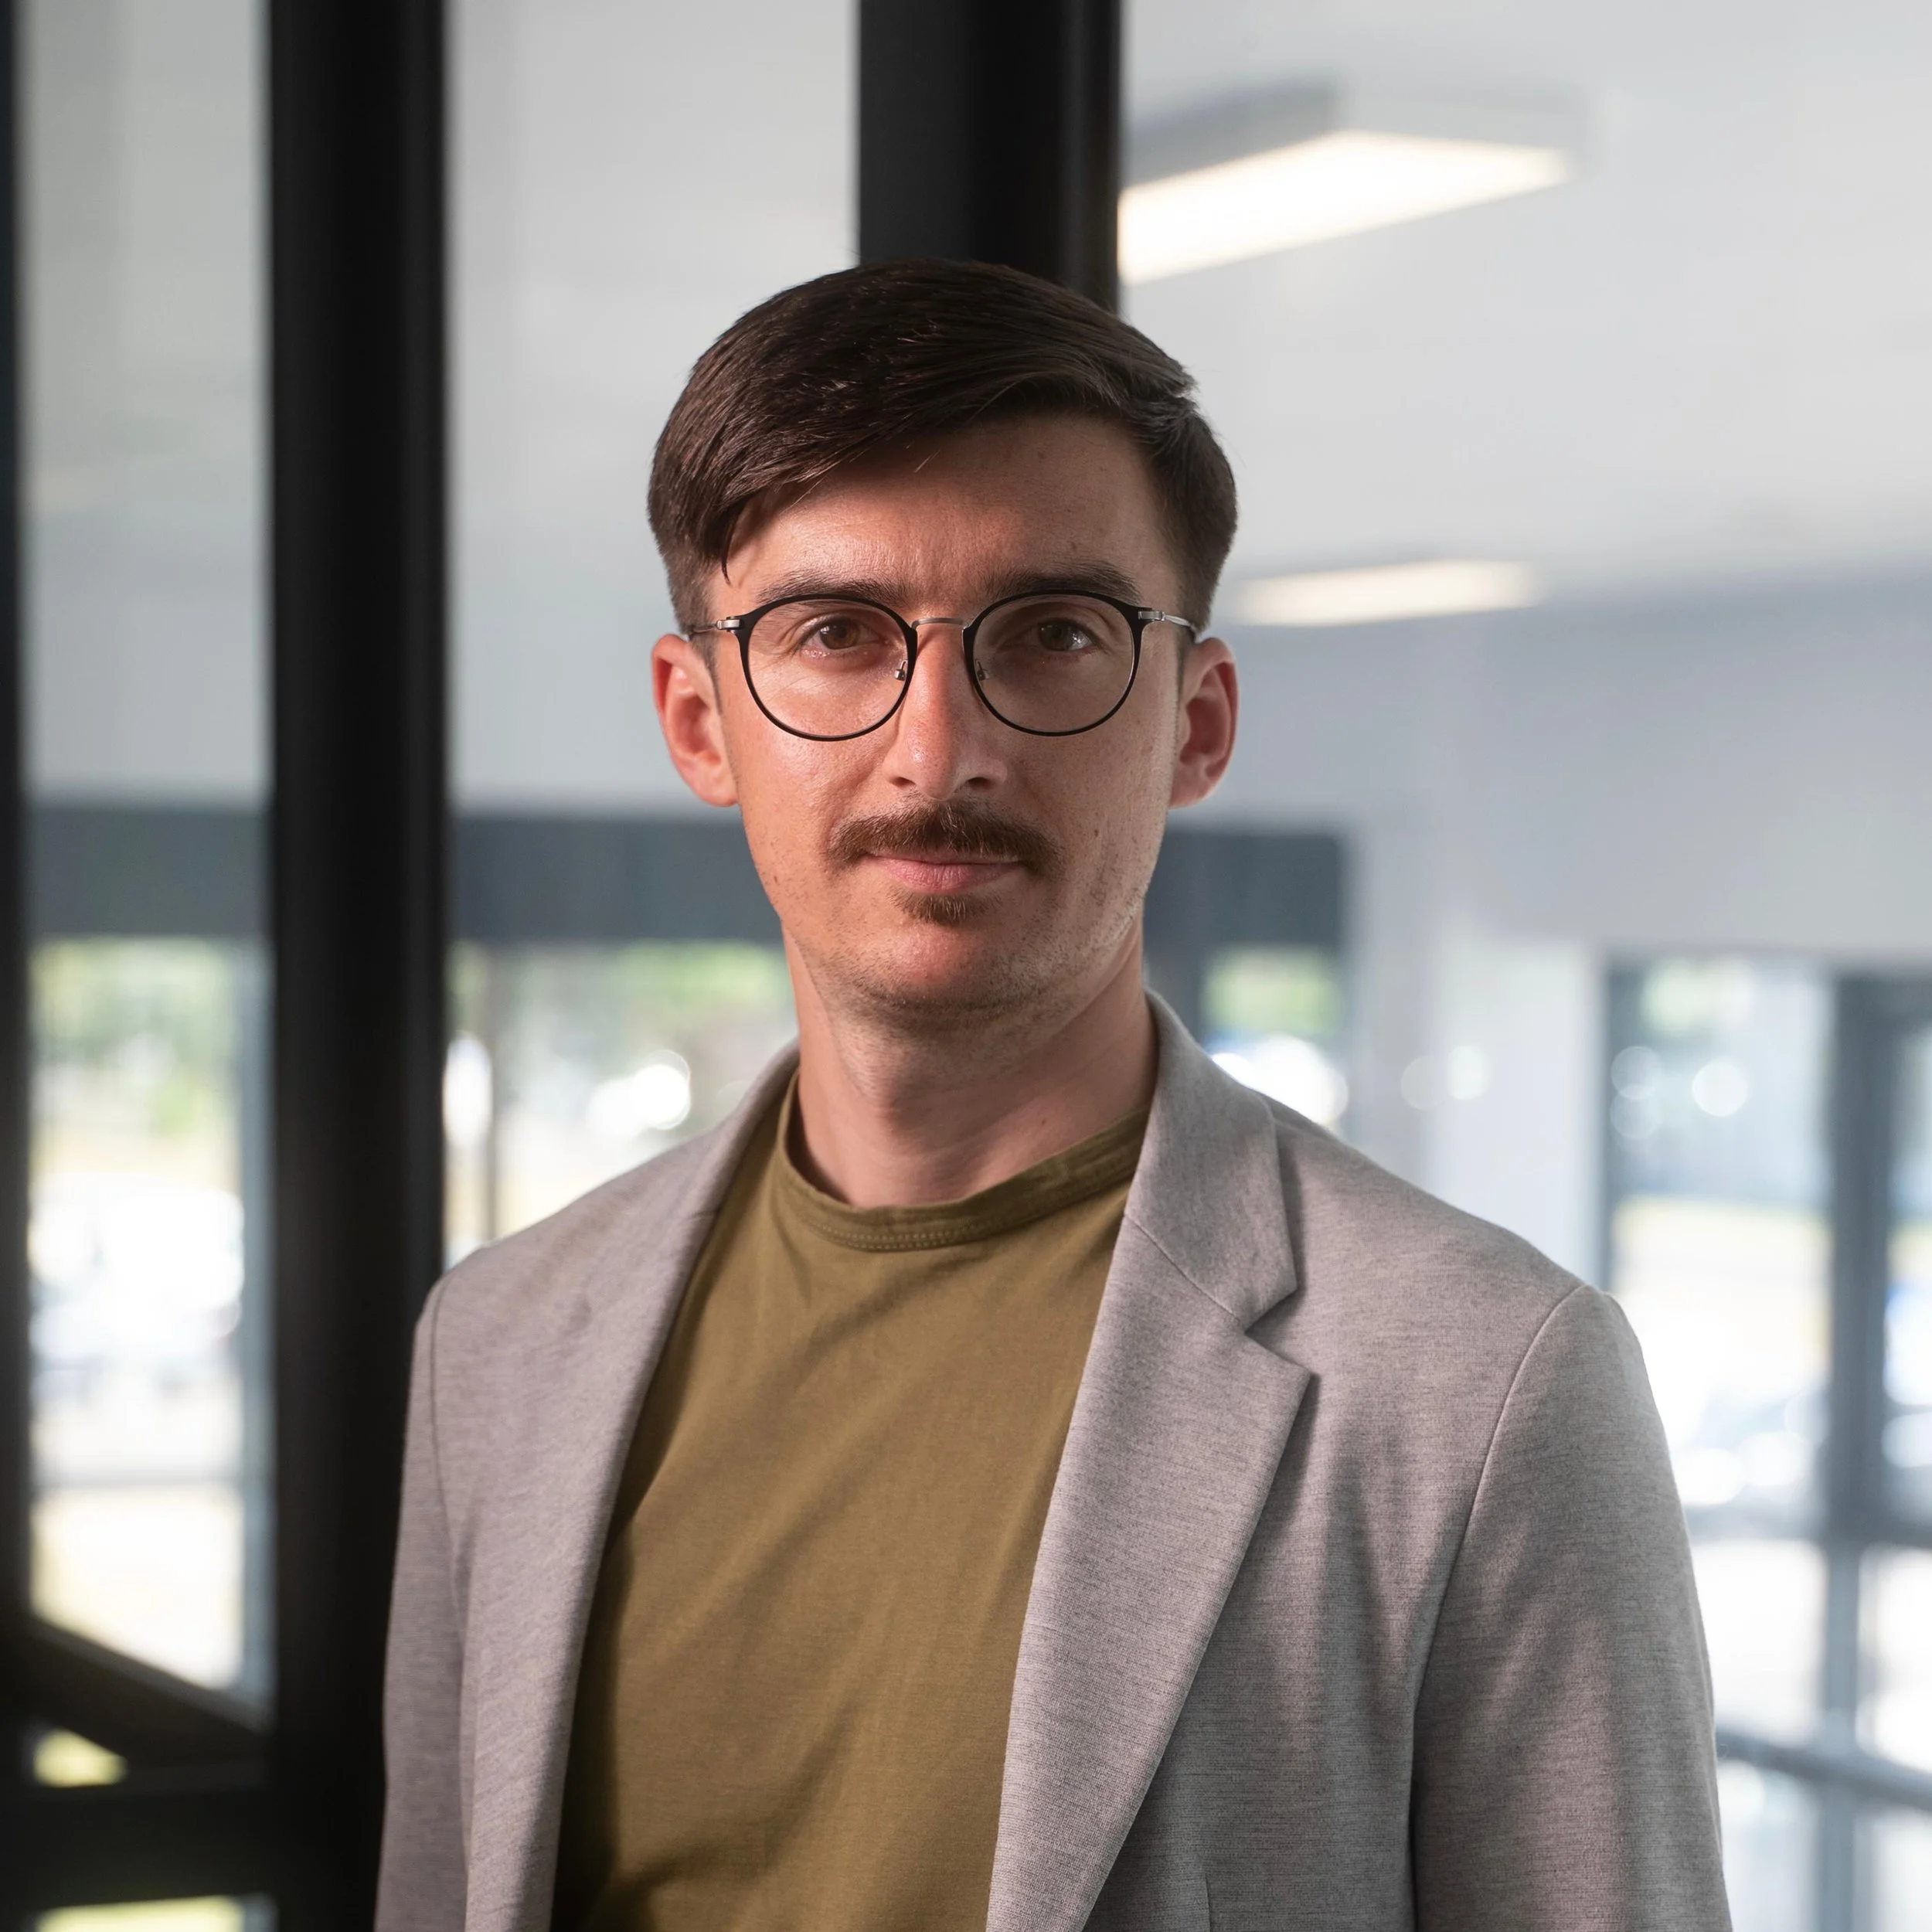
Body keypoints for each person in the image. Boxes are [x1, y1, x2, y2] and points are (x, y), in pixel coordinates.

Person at [377, 260, 1729, 1932]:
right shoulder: (499, 1343)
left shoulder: (1482, 1386)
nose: (936, 746)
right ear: (696, 718)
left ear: (1195, 719)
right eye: (831, 636)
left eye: (1053, 634)